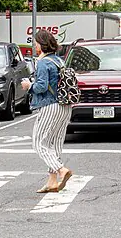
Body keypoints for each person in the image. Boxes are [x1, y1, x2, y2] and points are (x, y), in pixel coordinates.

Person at [21, 29, 74, 193]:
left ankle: (61, 170)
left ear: (41, 44)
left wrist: (29, 86)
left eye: (36, 43)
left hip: (50, 106)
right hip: (65, 106)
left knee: (39, 143)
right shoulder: (59, 60)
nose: (35, 45)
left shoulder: (43, 62)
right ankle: (52, 182)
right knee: (55, 143)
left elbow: (42, 86)